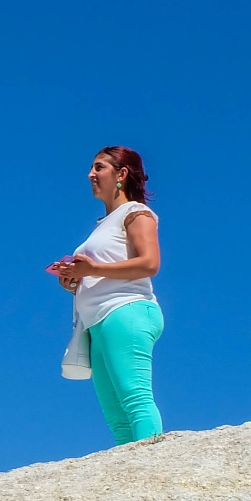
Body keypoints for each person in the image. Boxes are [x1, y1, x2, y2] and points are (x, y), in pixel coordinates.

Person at [47, 146, 165, 444]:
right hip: (97, 322)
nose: (90, 174)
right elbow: (100, 270)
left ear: (121, 174)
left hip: (125, 311)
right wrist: (75, 279)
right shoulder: (104, 225)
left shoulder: (137, 213)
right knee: (116, 416)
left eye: (99, 167)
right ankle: (133, 480)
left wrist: (93, 268)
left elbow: (150, 263)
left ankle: (154, 471)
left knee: (135, 399)